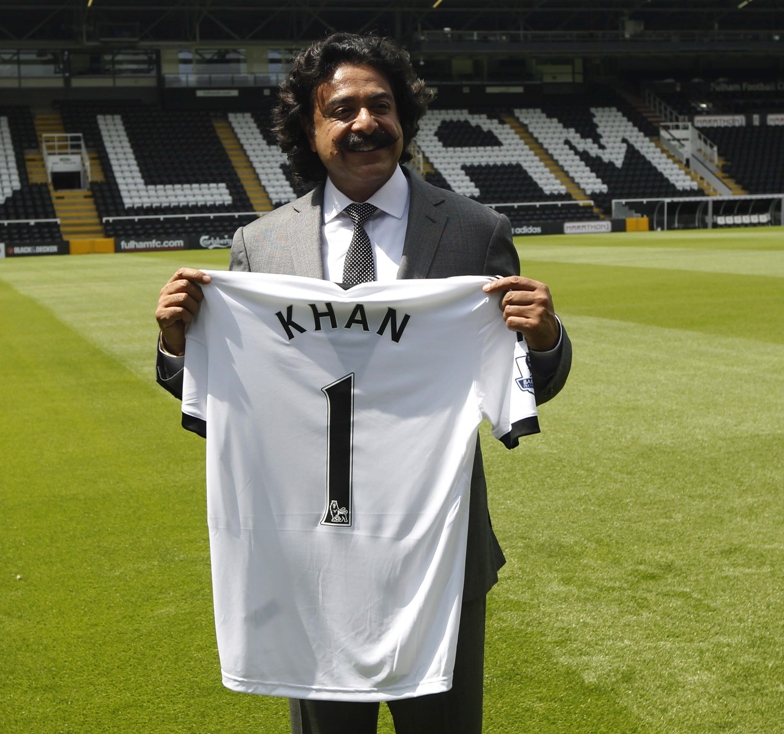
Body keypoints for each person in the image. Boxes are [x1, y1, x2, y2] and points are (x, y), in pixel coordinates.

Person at [154, 32, 571, 734]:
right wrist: (175, 345)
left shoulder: (475, 231)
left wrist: (545, 336)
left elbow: (523, 385)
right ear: (309, 131)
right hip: (307, 553)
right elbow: (231, 397)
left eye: (381, 105)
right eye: (340, 110)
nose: (364, 123)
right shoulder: (259, 245)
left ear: (404, 117)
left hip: (438, 548)